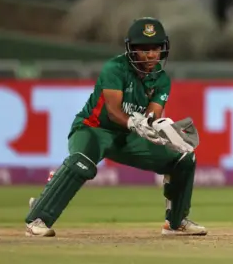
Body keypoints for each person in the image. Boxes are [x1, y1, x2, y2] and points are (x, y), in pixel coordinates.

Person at [25, 17, 207, 237]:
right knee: (82, 164)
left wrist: (157, 128)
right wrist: (134, 122)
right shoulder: (115, 68)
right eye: (143, 49)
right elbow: (113, 111)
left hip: (128, 137)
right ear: (131, 49)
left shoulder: (161, 79)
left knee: (183, 158)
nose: (151, 55)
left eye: (156, 48)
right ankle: (39, 217)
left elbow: (152, 115)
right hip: (93, 129)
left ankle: (176, 223)